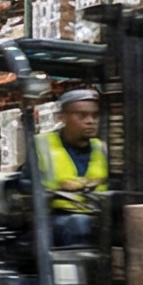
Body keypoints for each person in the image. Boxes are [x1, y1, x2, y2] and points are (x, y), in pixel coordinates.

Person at [35, 87, 110, 246]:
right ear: (62, 117)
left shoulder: (101, 148)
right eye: (82, 116)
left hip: (99, 214)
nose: (90, 121)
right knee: (80, 225)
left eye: (95, 116)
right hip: (56, 217)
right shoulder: (42, 145)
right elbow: (25, 185)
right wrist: (54, 190)